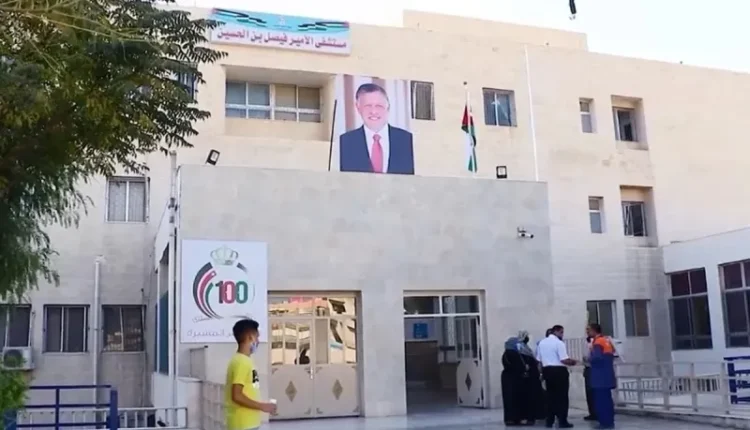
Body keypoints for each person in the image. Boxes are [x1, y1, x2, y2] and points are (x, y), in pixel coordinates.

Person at [339, 83, 415, 175]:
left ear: (388, 107)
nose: (373, 112)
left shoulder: (408, 140)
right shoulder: (344, 142)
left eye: (379, 106)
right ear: (358, 108)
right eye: (368, 106)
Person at [225, 319, 277, 430]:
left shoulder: (245, 360)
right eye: (257, 337)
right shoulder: (241, 362)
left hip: (248, 423)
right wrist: (262, 406)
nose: (258, 341)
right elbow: (236, 395)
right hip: (243, 424)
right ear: (250, 337)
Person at [536, 325, 577, 429]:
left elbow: (539, 361)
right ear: (556, 331)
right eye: (561, 332)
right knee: (562, 397)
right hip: (559, 372)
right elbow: (563, 359)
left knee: (550, 397)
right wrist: (574, 362)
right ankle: (562, 421)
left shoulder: (541, 343)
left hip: (547, 371)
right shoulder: (559, 343)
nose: (562, 335)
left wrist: (541, 374)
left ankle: (549, 420)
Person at [587, 323, 617, 429]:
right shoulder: (606, 341)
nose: (587, 332)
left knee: (601, 401)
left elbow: (597, 358)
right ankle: (609, 421)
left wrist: (588, 359)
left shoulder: (598, 342)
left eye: (589, 330)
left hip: (599, 377)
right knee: (607, 400)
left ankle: (604, 422)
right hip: (607, 375)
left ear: (594, 330)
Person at [502, 336, 532, 426]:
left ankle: (510, 419)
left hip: (507, 378)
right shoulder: (514, 353)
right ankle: (517, 418)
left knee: (508, 400)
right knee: (517, 399)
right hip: (515, 379)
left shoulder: (505, 353)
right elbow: (520, 366)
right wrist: (525, 368)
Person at [517, 330, 545, 423]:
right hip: (529, 377)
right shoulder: (520, 348)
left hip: (534, 375)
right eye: (526, 336)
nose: (527, 338)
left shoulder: (526, 348)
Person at [582, 335, 597, 421]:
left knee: (593, 392)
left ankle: (596, 412)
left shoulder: (596, 343)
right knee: (589, 393)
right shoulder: (586, 343)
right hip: (588, 368)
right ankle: (592, 412)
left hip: (593, 368)